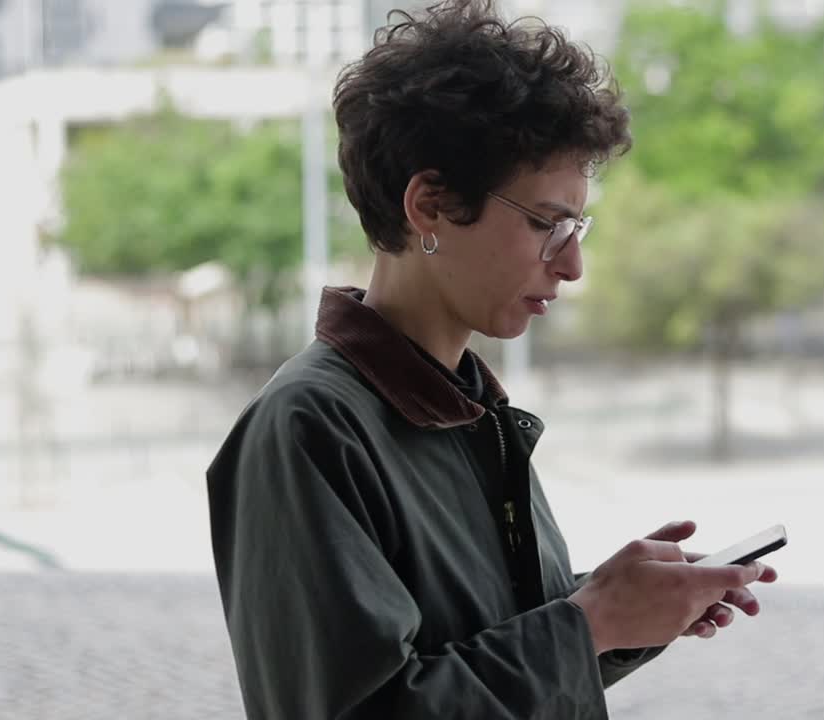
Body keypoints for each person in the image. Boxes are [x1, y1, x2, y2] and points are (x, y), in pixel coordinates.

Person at [206, 2, 777, 718]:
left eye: (577, 225)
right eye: (545, 224)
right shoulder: (309, 427)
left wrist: (621, 609)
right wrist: (590, 620)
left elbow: (479, 650)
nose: (571, 266)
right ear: (430, 206)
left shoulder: (473, 408)